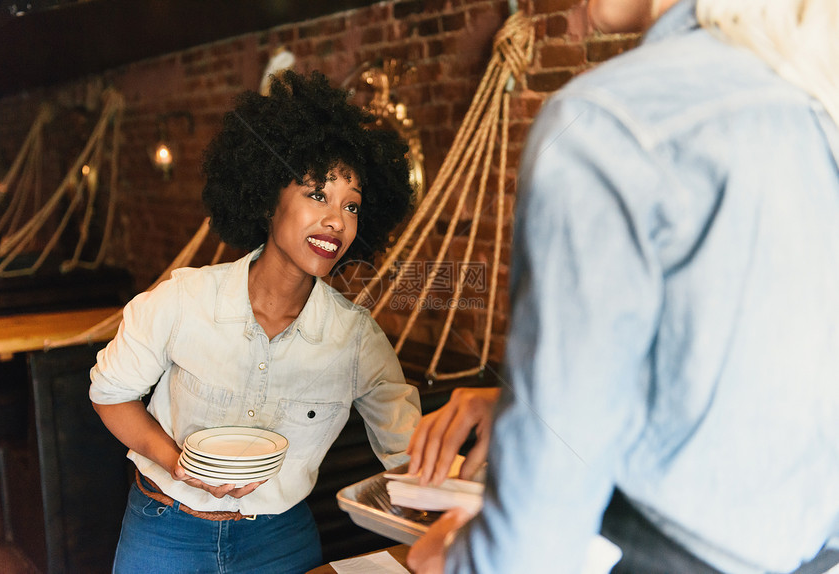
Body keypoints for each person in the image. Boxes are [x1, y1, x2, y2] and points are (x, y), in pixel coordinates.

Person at [406, 0, 839, 572]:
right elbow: (756, 375)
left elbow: (529, 554)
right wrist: (516, 406)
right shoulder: (811, 98)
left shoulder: (609, 120)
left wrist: (454, 557)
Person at [89, 70, 421, 574]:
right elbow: (109, 394)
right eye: (317, 195)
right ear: (268, 199)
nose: (336, 220)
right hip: (165, 528)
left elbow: (407, 450)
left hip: (279, 539)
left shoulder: (357, 341)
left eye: (350, 205)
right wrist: (173, 459)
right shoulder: (183, 300)